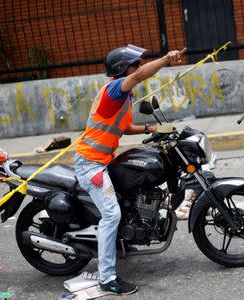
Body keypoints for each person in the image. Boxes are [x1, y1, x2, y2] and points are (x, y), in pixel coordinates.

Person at [74, 44, 186, 294]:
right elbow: (138, 76)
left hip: (101, 159)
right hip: (90, 163)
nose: (139, 67)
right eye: (136, 64)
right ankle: (106, 278)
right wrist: (167, 58)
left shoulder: (123, 96)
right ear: (125, 69)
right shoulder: (115, 88)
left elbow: (124, 128)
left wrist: (151, 130)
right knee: (111, 214)